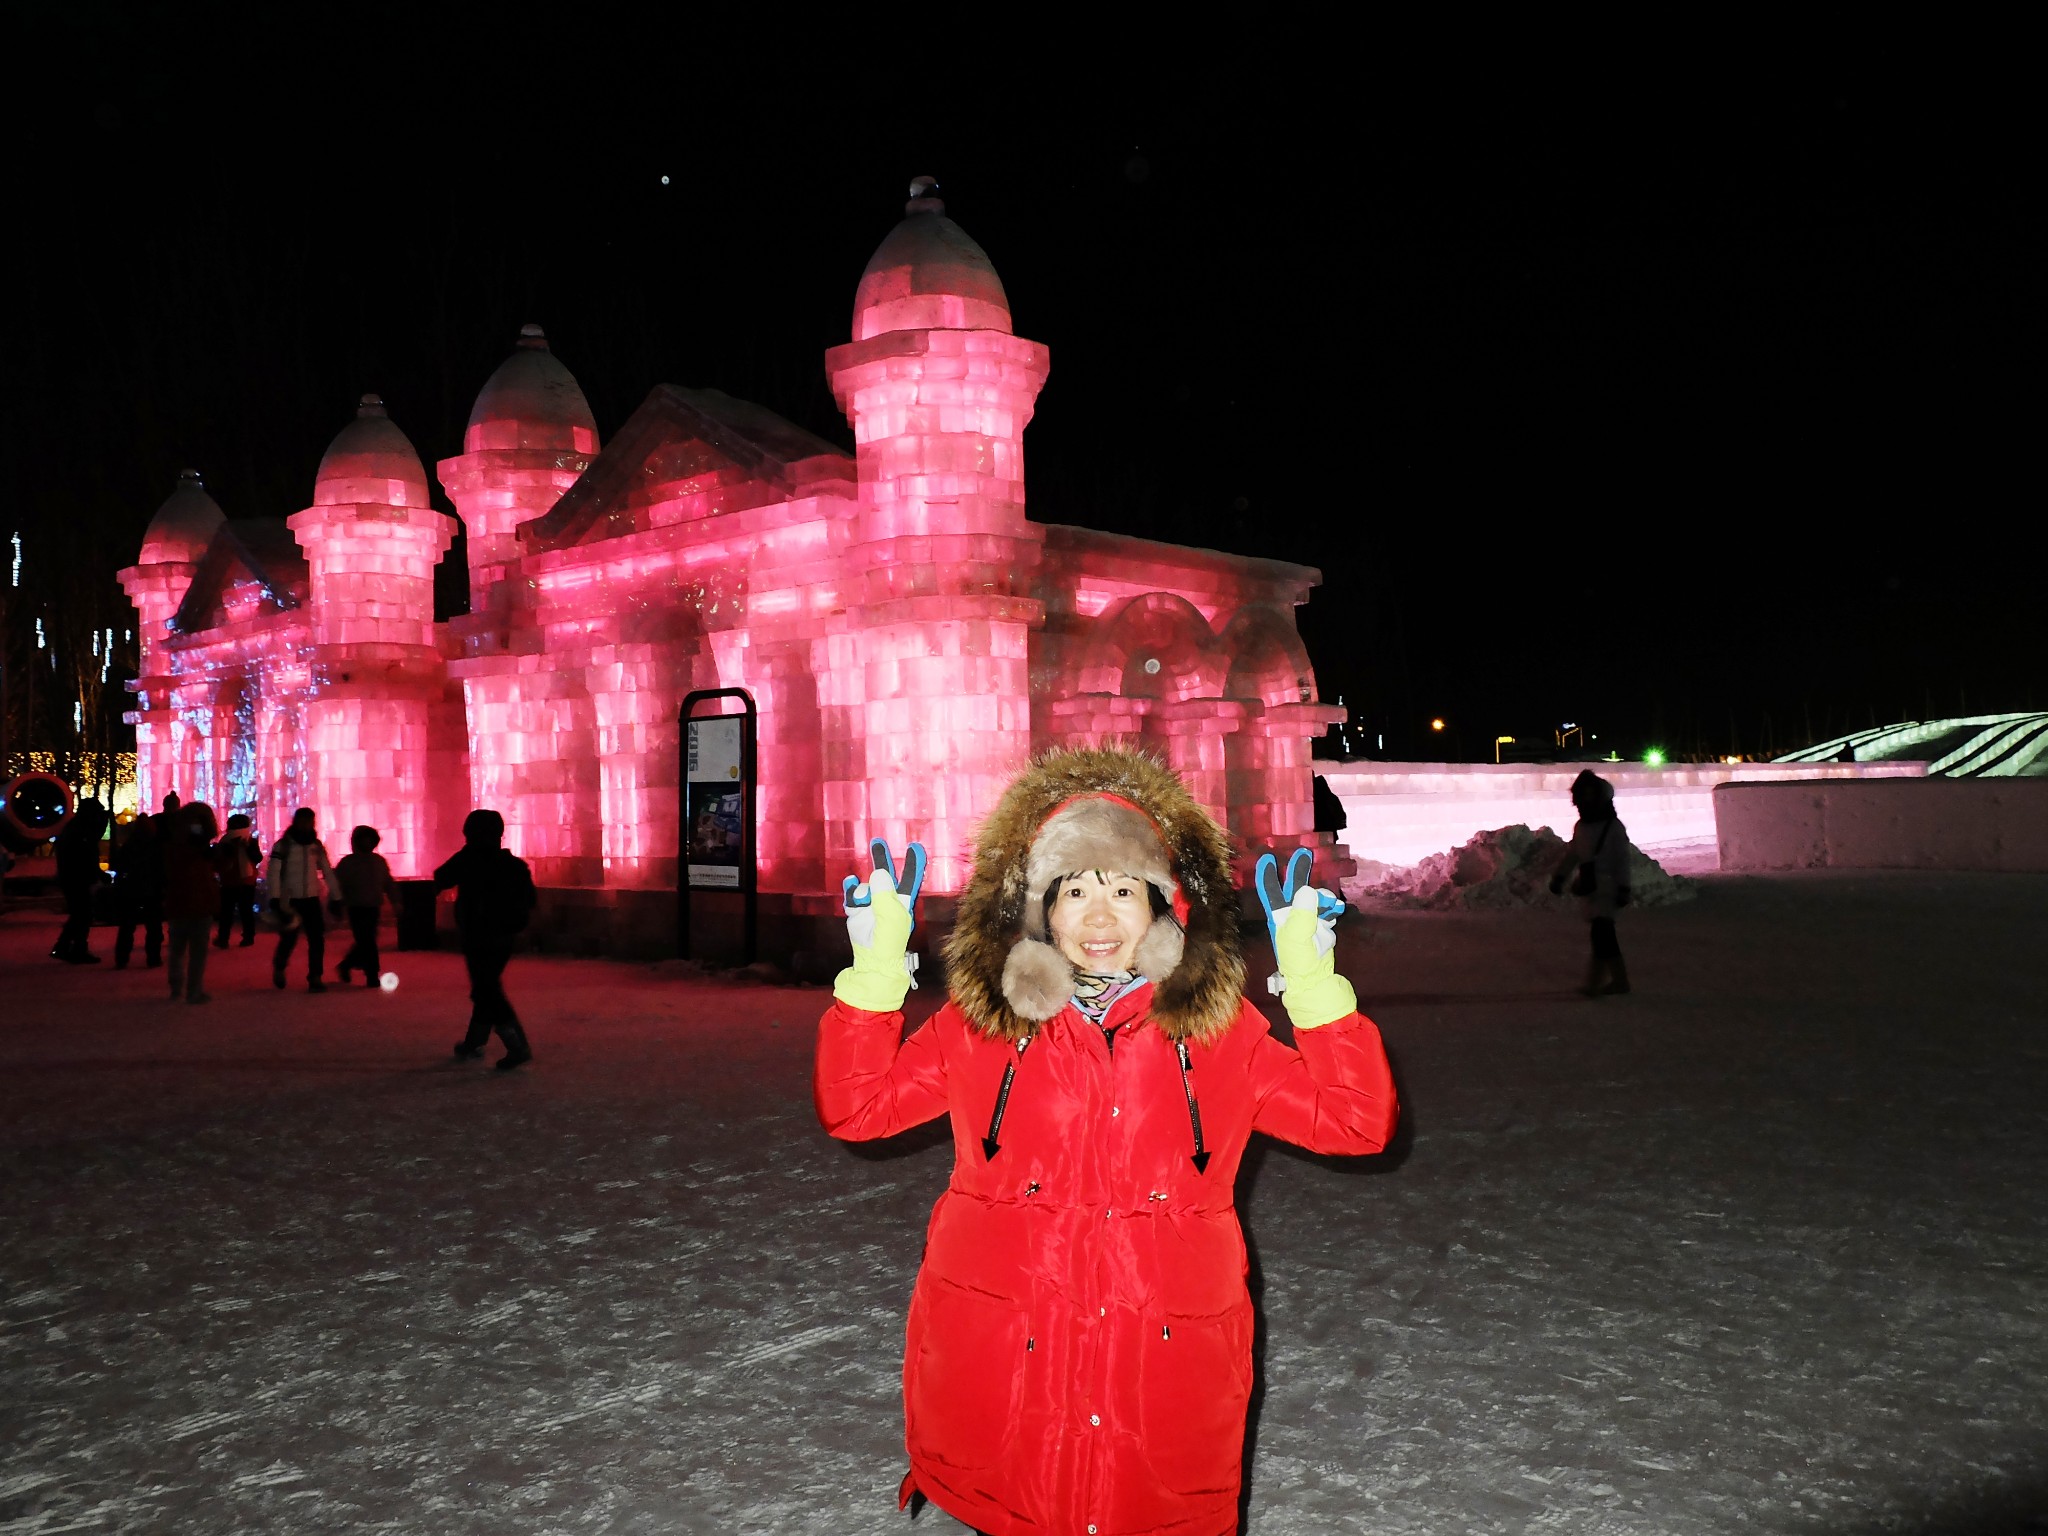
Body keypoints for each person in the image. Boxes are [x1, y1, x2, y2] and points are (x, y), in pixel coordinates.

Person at [814, 746, 1399, 1535]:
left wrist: (1317, 990)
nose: (1098, 916)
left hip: (1160, 1359)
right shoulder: (984, 1025)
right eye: (1076, 891)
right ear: (1039, 910)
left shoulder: (1220, 1034)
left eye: (1124, 890)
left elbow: (1357, 1123)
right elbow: (860, 1109)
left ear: (1165, 908)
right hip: (1005, 1351)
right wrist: (876, 970)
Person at [433, 809, 536, 1069]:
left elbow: (441, 877)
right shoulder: (513, 865)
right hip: (504, 935)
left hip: (477, 933)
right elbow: (531, 899)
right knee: (486, 987)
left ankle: (516, 1045)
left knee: (487, 989)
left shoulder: (469, 859)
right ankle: (474, 1041)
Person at [1548, 768, 1633, 996]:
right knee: (1601, 935)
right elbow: (1573, 853)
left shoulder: (1613, 828)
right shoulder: (1583, 827)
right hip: (1592, 887)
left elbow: (1622, 860)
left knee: (1601, 933)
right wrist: (1560, 876)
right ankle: (1607, 981)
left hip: (1607, 888)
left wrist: (1623, 887)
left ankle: (1607, 982)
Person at [268, 806, 340, 992]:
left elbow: (327, 871)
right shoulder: (283, 846)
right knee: (289, 938)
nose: (307, 825)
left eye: (310, 821)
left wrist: (337, 896)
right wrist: (275, 897)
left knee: (317, 939)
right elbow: (273, 873)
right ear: (296, 821)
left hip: (311, 898)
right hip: (290, 900)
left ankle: (315, 976)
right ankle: (280, 966)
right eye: (304, 821)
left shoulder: (315, 846)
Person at [162, 801, 220, 1003]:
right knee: (197, 951)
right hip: (200, 902)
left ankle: (177, 988)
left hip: (179, 902)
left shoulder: (172, 845)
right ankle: (193, 990)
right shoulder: (202, 850)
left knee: (177, 949)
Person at [333, 825, 398, 987]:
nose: (367, 844)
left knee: (366, 941)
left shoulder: (378, 862)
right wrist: (336, 904)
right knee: (367, 941)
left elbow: (388, 883)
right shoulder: (348, 863)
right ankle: (371, 973)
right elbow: (337, 886)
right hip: (356, 906)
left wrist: (396, 900)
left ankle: (350, 966)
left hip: (372, 906)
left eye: (370, 841)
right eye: (364, 840)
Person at [50, 797, 110, 964]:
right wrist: (98, 874)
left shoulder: (75, 828)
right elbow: (86, 858)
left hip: (72, 878)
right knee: (82, 915)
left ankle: (64, 946)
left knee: (79, 914)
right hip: (77, 879)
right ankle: (77, 949)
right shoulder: (81, 832)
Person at [110, 813, 166, 969]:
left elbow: (120, 867)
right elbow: (161, 870)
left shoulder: (128, 846)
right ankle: (153, 958)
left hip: (130, 891)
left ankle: (122, 959)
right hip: (151, 891)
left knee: (127, 927)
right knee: (153, 927)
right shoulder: (155, 847)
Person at [213, 813, 263, 948]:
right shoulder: (227, 842)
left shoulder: (242, 842)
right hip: (240, 880)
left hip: (235, 880)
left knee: (234, 911)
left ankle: (237, 937)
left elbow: (257, 857)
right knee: (234, 911)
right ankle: (239, 937)